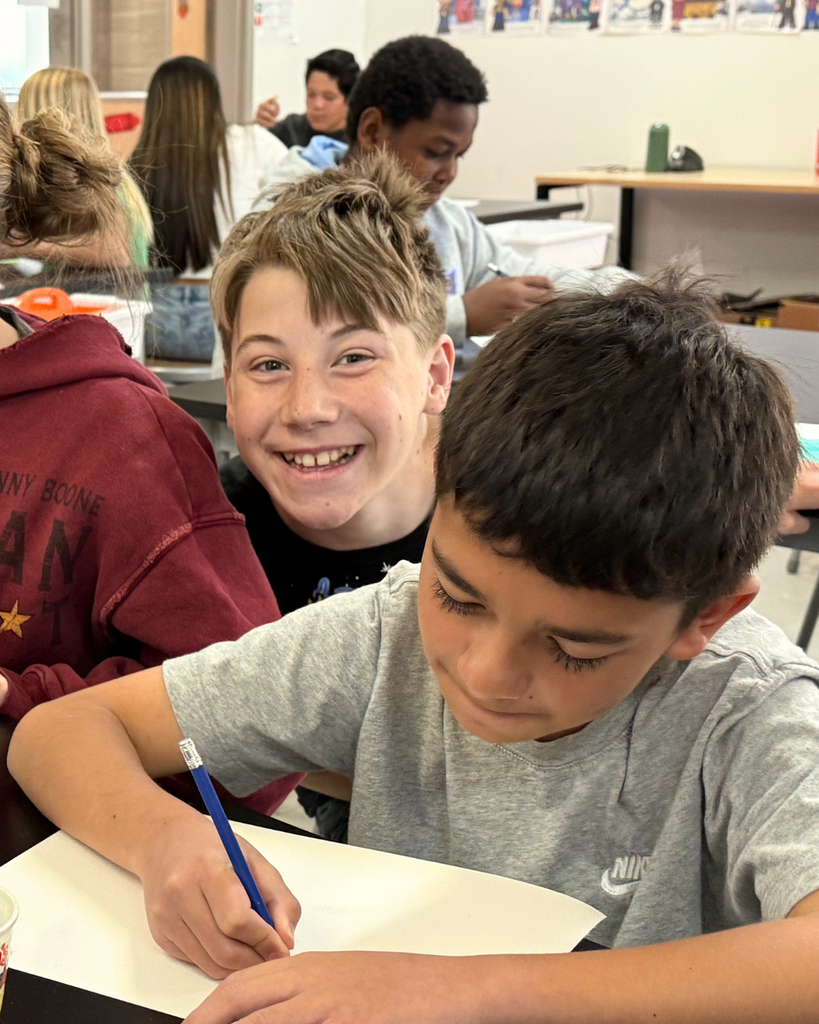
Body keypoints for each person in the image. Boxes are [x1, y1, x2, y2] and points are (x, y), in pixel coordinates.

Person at [11, 272, 819, 1023]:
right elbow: (59, 734)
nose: (484, 671)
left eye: (573, 648)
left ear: (702, 619)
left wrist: (471, 988)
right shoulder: (380, 633)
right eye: (457, 596)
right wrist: (164, 842)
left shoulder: (746, 707)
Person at [246, 35, 632, 360]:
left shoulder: (446, 223)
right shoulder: (294, 219)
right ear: (373, 130)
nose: (449, 172)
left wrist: (623, 290)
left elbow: (525, 275)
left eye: (458, 155)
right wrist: (462, 313)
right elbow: (325, 327)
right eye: (435, 152)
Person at [129, 56, 288, 362]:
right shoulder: (253, 143)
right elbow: (309, 188)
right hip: (226, 321)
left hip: (152, 326)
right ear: (214, 94)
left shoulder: (137, 165)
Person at [16, 66, 153, 270]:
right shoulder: (110, 178)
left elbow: (116, 253)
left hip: (106, 299)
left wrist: (18, 244)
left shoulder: (101, 184)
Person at [254, 49, 360, 148]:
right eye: (311, 95)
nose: (317, 105)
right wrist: (259, 126)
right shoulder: (291, 129)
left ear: (350, 100)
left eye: (328, 98)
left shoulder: (361, 141)